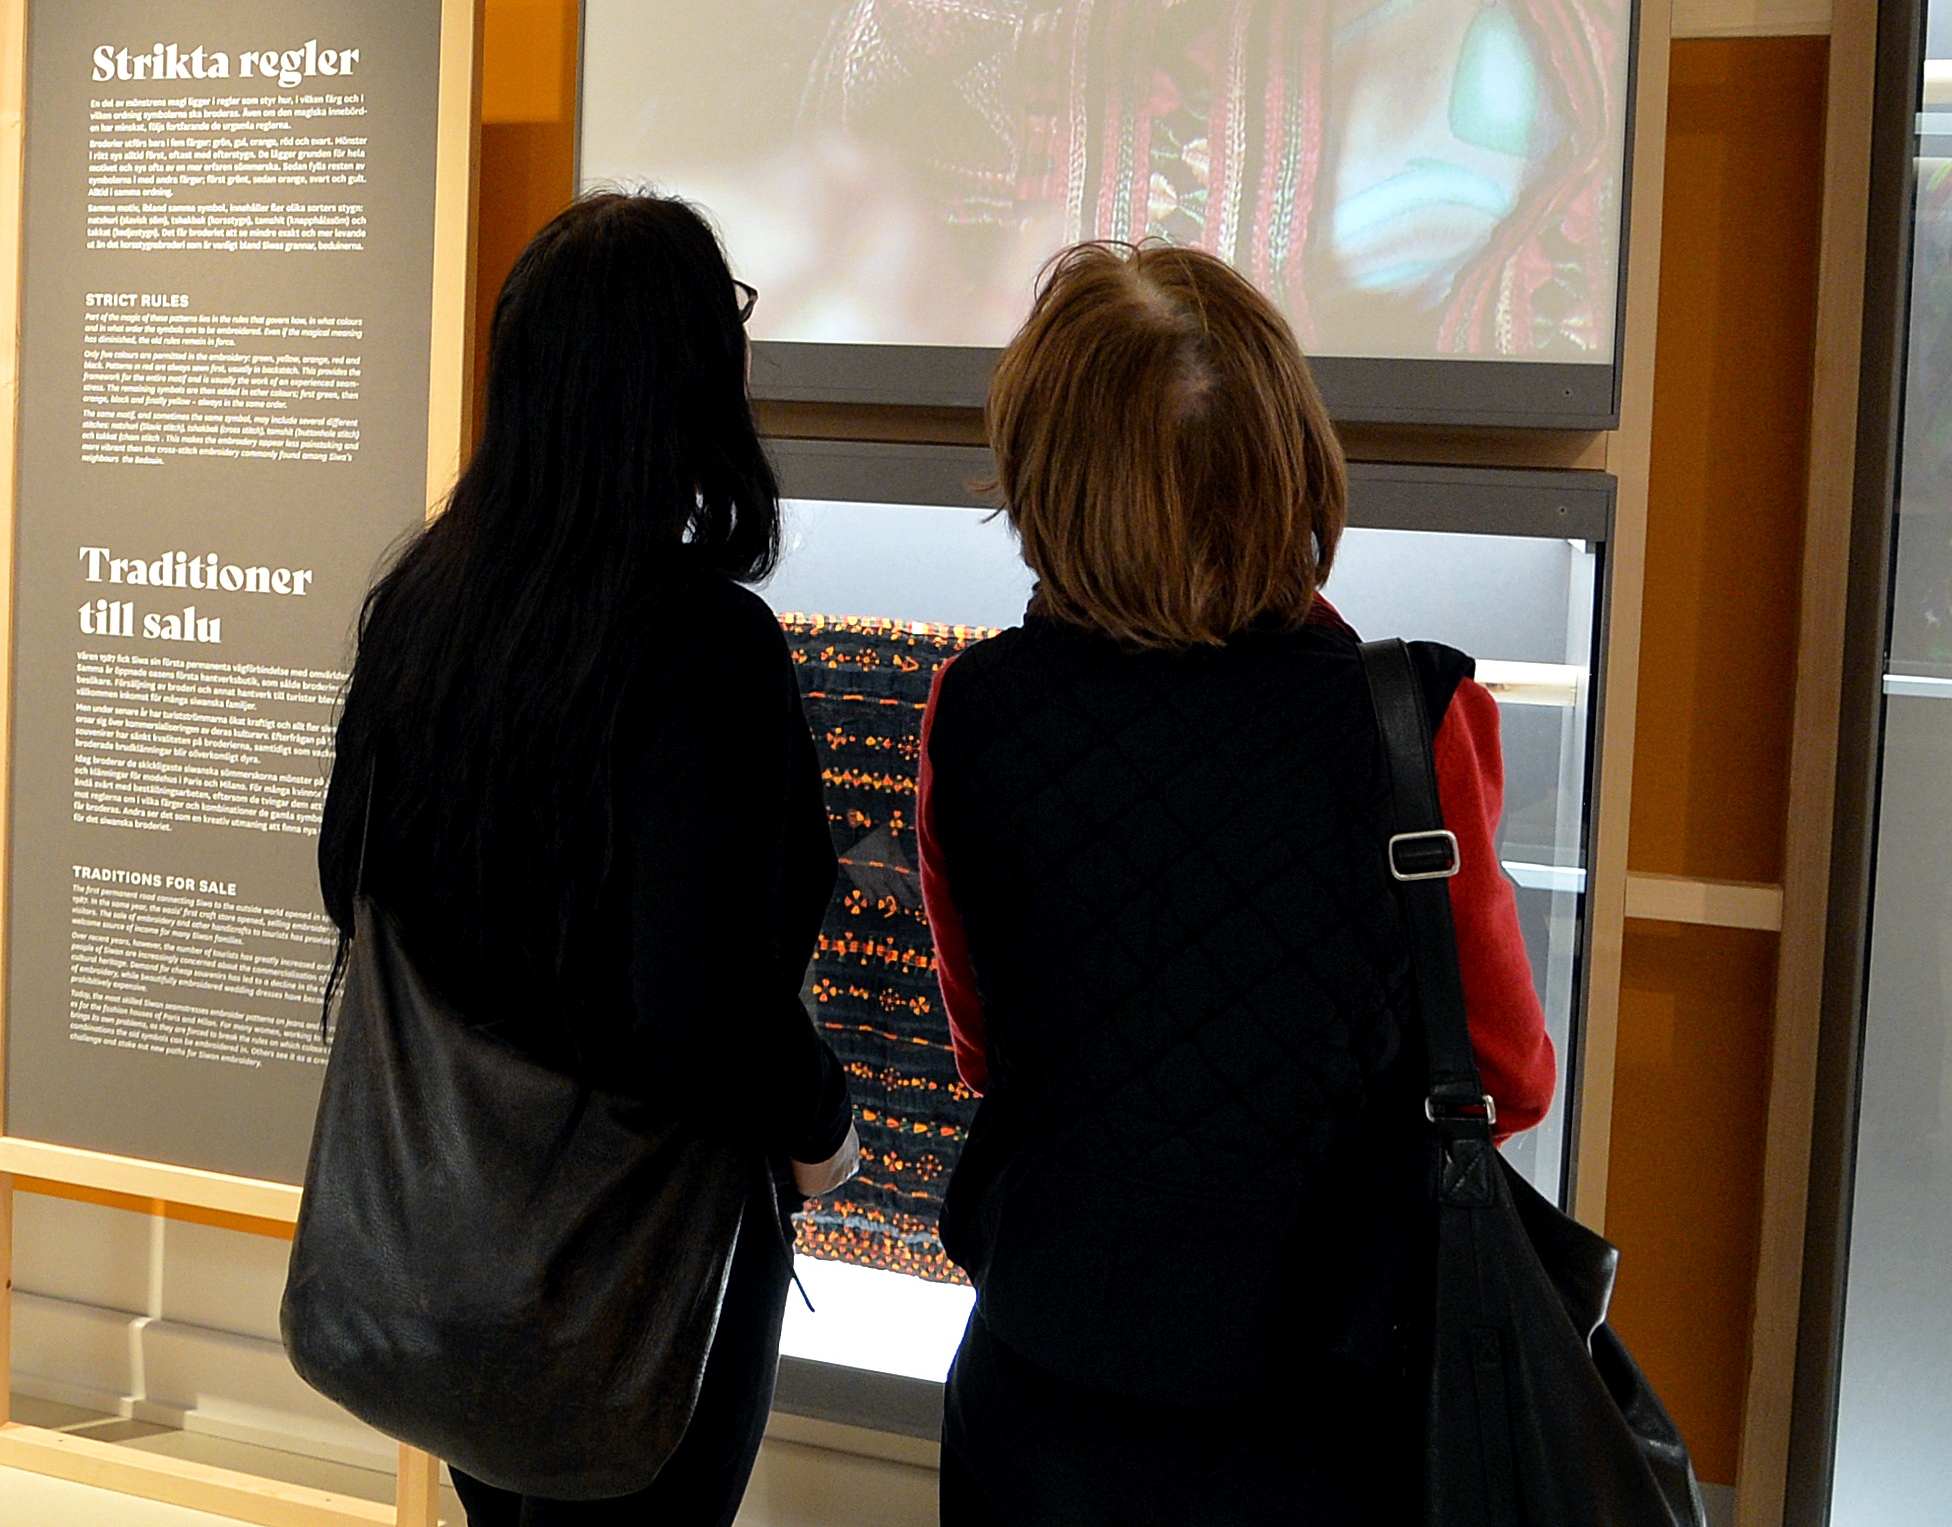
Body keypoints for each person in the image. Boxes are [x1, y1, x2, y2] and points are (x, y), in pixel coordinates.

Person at [916, 242, 1558, 1525]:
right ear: (1291, 456)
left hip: (1041, 1375)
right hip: (1322, 1399)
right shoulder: (1411, 718)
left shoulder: (974, 708)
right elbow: (1505, 1074)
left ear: (1043, 472)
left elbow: (986, 1050)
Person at [317, 191, 860, 1527]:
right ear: (684, 379)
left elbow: (350, 883)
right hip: (642, 1260)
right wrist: (822, 1128)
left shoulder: (425, 604)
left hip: (450, 1238)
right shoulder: (704, 649)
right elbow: (698, 1008)